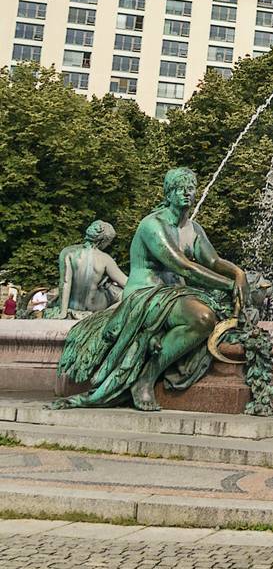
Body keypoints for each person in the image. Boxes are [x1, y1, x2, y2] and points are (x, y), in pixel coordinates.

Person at [53, 166, 253, 412]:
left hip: (176, 294)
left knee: (220, 307)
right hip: (145, 294)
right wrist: (230, 286)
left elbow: (213, 261)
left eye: (190, 189)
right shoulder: (152, 225)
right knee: (202, 318)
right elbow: (184, 267)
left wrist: (239, 274)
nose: (186, 194)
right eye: (179, 189)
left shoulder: (194, 229)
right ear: (168, 194)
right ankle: (145, 378)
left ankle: (162, 355)